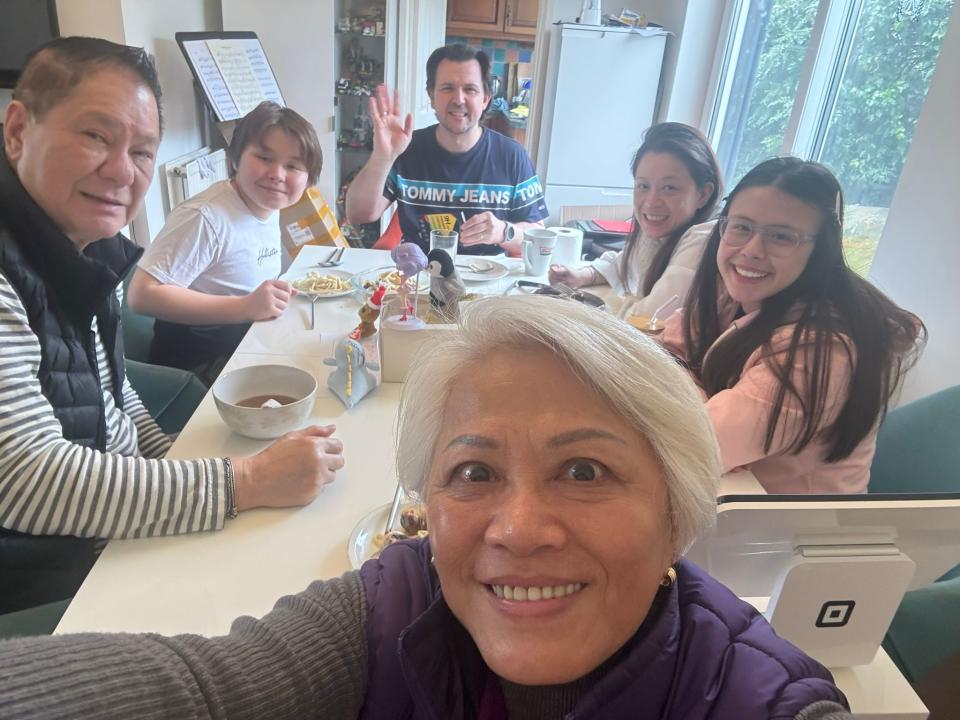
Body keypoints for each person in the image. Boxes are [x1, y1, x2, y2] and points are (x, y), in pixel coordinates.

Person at [0, 295, 853, 720]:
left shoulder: (754, 696)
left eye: (585, 471)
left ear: (677, 513)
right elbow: (201, 690)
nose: (517, 529)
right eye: (474, 474)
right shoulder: (399, 608)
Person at [0, 37, 343, 615]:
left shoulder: (83, 251)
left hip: (96, 529)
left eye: (141, 152)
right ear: (16, 131)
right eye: (95, 136)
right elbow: (31, 480)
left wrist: (182, 466)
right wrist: (246, 480)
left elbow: (117, 399)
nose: (119, 171)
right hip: (46, 577)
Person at [659, 157, 925, 494]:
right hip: (732, 500)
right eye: (741, 227)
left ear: (820, 251)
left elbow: (696, 444)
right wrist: (696, 395)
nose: (752, 250)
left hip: (795, 533)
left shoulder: (827, 351)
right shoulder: (735, 294)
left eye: (781, 237)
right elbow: (667, 354)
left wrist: (686, 394)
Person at [127, 101, 320, 384]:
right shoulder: (206, 217)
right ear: (235, 158)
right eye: (264, 158)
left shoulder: (266, 206)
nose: (277, 174)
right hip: (197, 365)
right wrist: (246, 307)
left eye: (292, 166)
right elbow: (141, 295)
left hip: (244, 341)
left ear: (309, 181)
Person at [345, 44, 548, 256]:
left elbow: (538, 238)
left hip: (488, 281)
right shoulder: (406, 148)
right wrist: (383, 157)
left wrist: (503, 231)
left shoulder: (513, 156)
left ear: (485, 98)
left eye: (470, 89)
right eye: (447, 88)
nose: (459, 99)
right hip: (417, 276)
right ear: (432, 96)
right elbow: (358, 214)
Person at [548, 122, 721, 322]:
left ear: (703, 195)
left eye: (669, 188)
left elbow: (648, 320)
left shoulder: (702, 240)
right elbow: (622, 262)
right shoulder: (657, 237)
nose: (651, 201)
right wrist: (581, 275)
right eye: (643, 186)